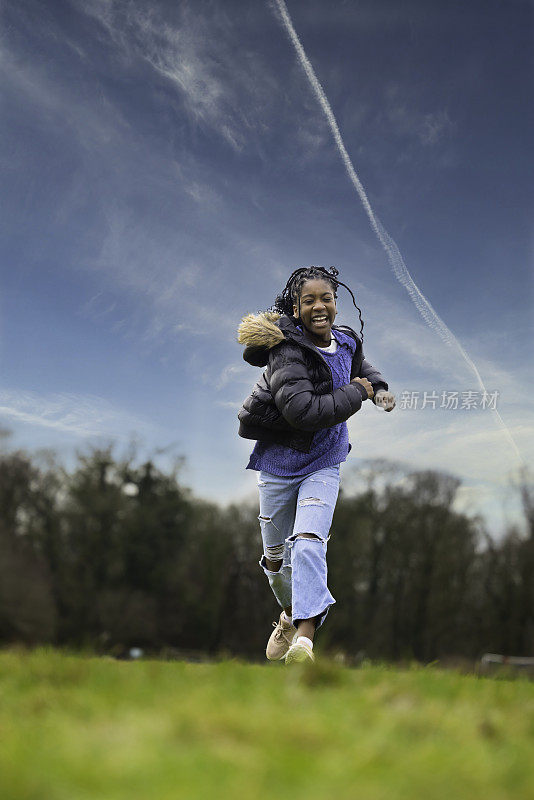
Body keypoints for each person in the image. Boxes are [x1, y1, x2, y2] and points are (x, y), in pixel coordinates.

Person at [237, 266, 395, 664]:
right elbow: (303, 412)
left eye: (326, 298)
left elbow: (361, 366)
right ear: (297, 307)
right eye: (309, 301)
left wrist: (379, 389)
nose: (319, 306)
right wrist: (357, 392)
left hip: (324, 462)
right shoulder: (285, 353)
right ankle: (289, 615)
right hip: (279, 465)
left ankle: (304, 639)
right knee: (275, 558)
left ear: (336, 303)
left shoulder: (345, 340)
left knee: (309, 542)